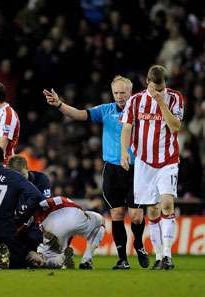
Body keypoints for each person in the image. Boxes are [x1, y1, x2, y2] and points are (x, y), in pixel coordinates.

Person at [43, 75, 149, 270]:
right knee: (116, 214)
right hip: (112, 169)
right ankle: (122, 259)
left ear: (130, 92)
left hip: (136, 168)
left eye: (122, 93)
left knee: (136, 216)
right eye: (116, 92)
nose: (119, 96)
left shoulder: (141, 111)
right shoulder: (106, 110)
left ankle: (139, 244)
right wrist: (59, 104)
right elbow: (79, 114)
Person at [120, 65, 184, 270]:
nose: (160, 92)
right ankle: (158, 257)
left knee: (167, 204)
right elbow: (127, 127)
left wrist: (161, 103)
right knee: (153, 210)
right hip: (144, 162)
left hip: (168, 160)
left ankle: (168, 256)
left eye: (163, 88)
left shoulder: (174, 98)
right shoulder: (135, 100)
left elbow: (175, 127)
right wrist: (124, 151)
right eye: (157, 89)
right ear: (147, 83)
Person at [26, 196, 105, 270]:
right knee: (100, 221)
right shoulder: (51, 198)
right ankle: (86, 260)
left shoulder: (34, 210)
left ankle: (42, 258)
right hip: (74, 214)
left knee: (54, 262)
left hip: (52, 225)